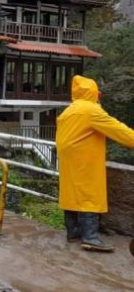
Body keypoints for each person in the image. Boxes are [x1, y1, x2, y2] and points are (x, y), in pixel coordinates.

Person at [57, 75, 134, 252]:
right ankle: (90, 237)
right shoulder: (91, 111)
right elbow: (119, 130)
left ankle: (73, 232)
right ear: (92, 93)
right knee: (89, 194)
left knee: (71, 193)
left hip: (68, 161)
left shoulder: (68, 111)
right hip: (85, 160)